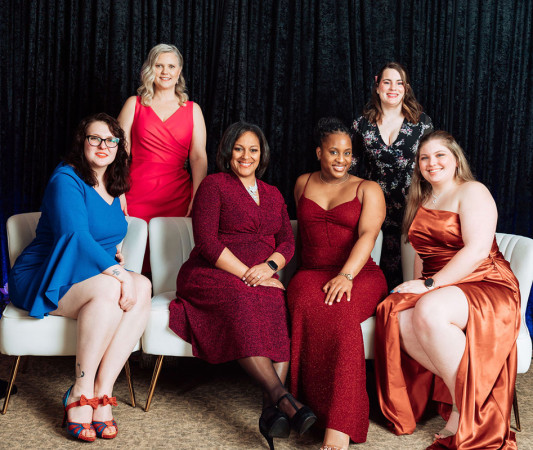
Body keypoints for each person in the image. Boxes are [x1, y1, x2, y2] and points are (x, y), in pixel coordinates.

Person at [168, 122, 316, 449]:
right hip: (211, 272)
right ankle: (283, 398)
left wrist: (268, 268)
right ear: (228, 151)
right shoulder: (214, 185)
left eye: (253, 150)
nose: (245, 156)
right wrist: (248, 274)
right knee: (242, 297)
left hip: (260, 274)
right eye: (238, 149)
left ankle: (270, 412)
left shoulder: (273, 193)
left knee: (275, 304)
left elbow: (287, 242)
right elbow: (206, 241)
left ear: (262, 155)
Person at [8, 113, 152, 442]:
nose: (103, 145)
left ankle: (102, 392)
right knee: (111, 287)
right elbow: (74, 234)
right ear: (82, 142)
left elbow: (107, 232)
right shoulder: (66, 178)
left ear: (119, 147)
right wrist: (118, 273)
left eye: (111, 140)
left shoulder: (115, 185)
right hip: (44, 272)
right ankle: (79, 391)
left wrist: (116, 255)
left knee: (143, 286)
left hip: (88, 272)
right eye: (95, 138)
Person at [374, 131, 520, 449]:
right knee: (398, 317)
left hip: (485, 281)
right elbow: (423, 256)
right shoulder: (420, 199)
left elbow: (477, 251)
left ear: (455, 159)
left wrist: (429, 286)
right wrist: (416, 285)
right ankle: (468, 401)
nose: (432, 163)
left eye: (440, 155)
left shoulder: (472, 191)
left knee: (429, 309)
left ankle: (463, 412)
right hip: (443, 283)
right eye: (424, 158)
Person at [287, 118, 388, 450]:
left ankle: (340, 426)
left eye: (347, 153)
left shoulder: (367, 189)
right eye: (333, 152)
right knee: (307, 304)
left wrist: (346, 276)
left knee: (343, 317)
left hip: (359, 273)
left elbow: (368, 236)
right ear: (319, 152)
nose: (341, 159)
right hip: (311, 272)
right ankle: (311, 411)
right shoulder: (302, 183)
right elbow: (300, 237)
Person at [118, 43, 207, 270]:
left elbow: (198, 158)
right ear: (150, 69)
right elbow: (118, 153)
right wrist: (118, 192)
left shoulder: (193, 109)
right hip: (135, 193)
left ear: (179, 71)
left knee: (171, 262)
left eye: (171, 66)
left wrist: (197, 196)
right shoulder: (134, 104)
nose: (165, 71)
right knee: (132, 258)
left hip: (178, 197)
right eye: (159, 66)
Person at [352, 62, 433, 289]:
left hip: (412, 204)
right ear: (377, 85)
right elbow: (351, 167)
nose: (393, 88)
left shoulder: (422, 123)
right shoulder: (361, 124)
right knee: (375, 265)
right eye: (387, 82)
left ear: (405, 88)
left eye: (399, 83)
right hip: (373, 206)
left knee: (410, 270)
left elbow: (431, 165)